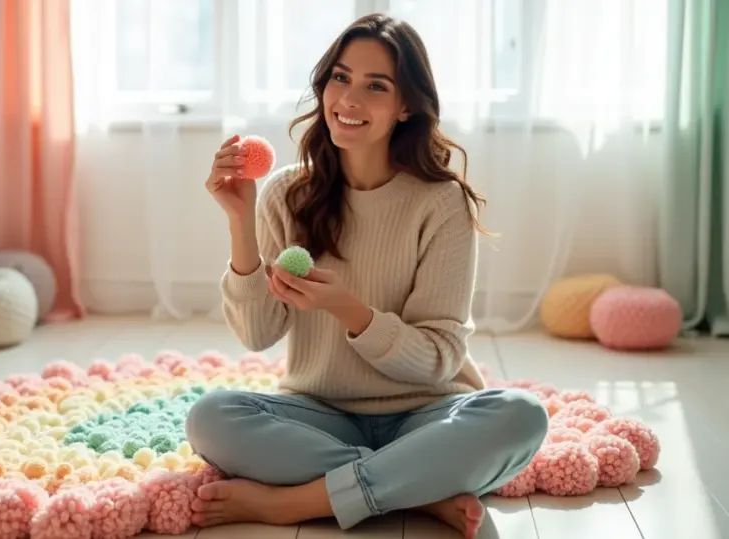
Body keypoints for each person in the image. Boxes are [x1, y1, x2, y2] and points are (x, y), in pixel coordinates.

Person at [185, 12, 549, 538]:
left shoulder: (441, 202)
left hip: (428, 410)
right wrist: (240, 220)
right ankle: (421, 489)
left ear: (406, 106)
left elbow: (438, 360)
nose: (349, 100)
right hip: (318, 411)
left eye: (375, 86)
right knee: (210, 418)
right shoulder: (287, 193)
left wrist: (348, 309)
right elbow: (257, 334)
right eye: (340, 77)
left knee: (520, 415)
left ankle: (299, 503)